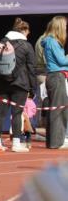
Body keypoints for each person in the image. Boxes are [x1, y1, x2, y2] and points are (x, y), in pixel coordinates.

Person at [0, 18, 36, 154]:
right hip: (20, 84)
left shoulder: (1, 42)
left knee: (0, 113)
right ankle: (16, 143)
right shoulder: (27, 46)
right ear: (23, 31)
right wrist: (32, 88)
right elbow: (31, 68)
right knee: (17, 113)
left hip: (2, 83)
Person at [40, 15, 68, 149]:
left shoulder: (49, 41)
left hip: (53, 76)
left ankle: (53, 141)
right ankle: (57, 142)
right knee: (59, 110)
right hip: (57, 77)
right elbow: (62, 61)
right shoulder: (53, 42)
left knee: (55, 109)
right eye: (65, 26)